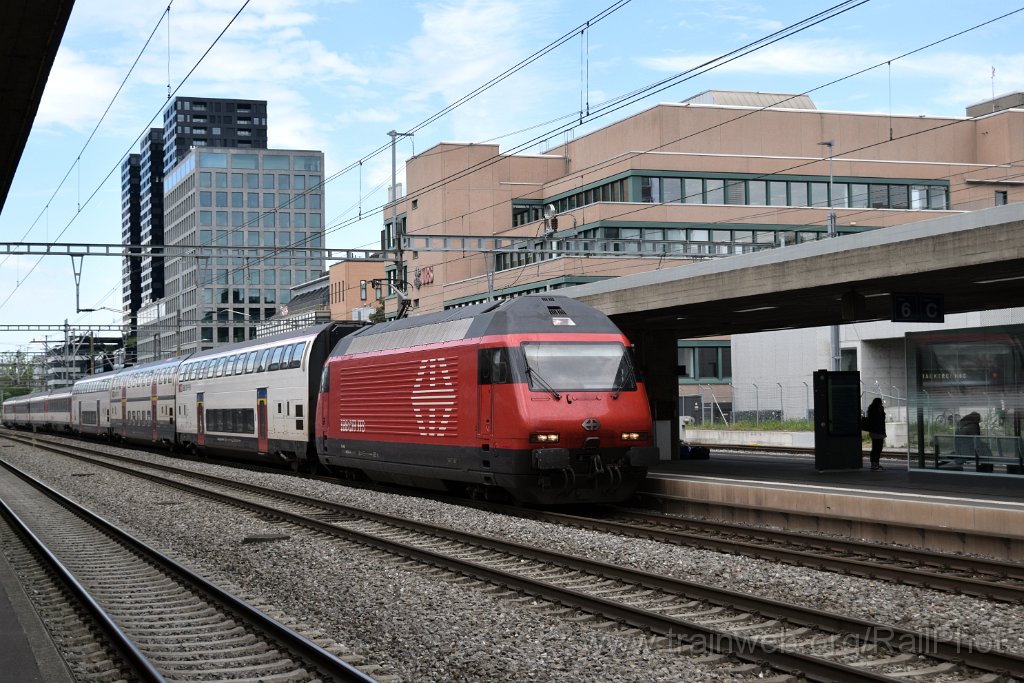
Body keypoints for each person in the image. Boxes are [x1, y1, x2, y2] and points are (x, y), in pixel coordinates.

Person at [864, 397, 886, 470]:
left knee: (875, 448)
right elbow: (882, 419)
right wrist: (882, 411)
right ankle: (875, 463)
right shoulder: (879, 409)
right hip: (879, 431)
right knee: (878, 448)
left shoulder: (871, 409)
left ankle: (874, 463)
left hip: (873, 431)